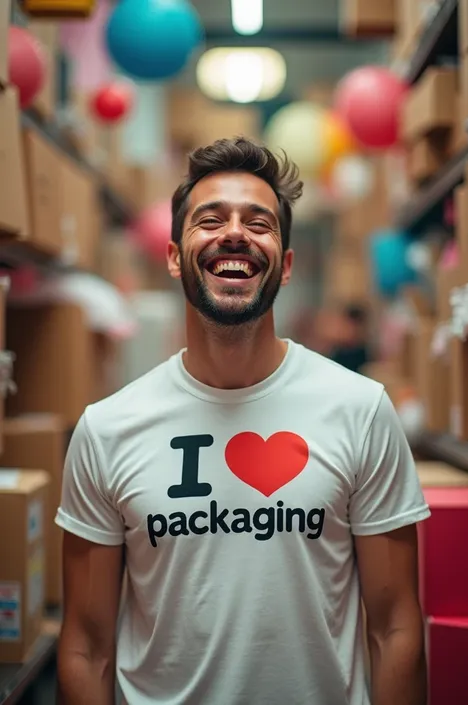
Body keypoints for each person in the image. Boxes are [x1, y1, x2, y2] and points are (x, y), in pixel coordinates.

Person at [55, 137, 430, 705]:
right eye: (210, 219)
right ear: (176, 255)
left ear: (284, 264)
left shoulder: (361, 409)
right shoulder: (107, 429)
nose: (235, 232)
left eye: (260, 223)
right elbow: (86, 645)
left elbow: (396, 626)